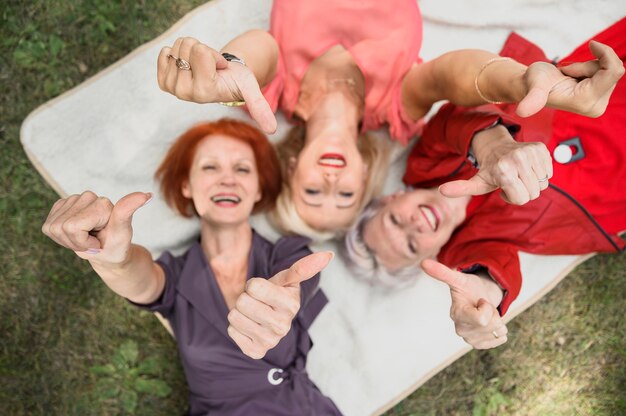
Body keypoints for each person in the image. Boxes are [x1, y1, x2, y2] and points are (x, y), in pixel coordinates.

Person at [156, 0, 624, 241]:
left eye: (313, 191)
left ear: (293, 165)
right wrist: (519, 81)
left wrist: (229, 65)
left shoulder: (271, 95)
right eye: (347, 195)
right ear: (365, 176)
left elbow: (257, 50)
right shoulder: (398, 113)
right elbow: (451, 75)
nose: (333, 179)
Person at [344, 19, 626, 349]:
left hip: (592, 103)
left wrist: (493, 147)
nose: (414, 226)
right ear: (429, 255)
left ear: (392, 198)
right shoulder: (464, 250)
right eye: (410, 246)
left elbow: (456, 119)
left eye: (394, 220)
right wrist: (486, 299)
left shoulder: (424, 166)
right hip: (610, 192)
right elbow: (493, 271)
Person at [42, 119, 342, 415]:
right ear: (187, 185)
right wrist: (113, 260)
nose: (228, 179)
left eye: (242, 169)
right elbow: (139, 277)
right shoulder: (176, 278)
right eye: (211, 167)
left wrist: (285, 304)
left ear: (259, 189)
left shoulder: (289, 254)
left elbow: (297, 284)